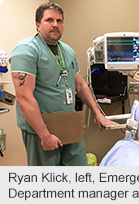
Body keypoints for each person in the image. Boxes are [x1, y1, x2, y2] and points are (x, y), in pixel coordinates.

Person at [10, 2, 116, 166]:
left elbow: (80, 86)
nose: (55, 25)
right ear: (38, 25)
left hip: (69, 124)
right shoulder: (26, 50)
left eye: (59, 21)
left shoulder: (67, 51)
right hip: (40, 128)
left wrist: (98, 114)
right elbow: (24, 97)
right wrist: (44, 135)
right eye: (49, 20)